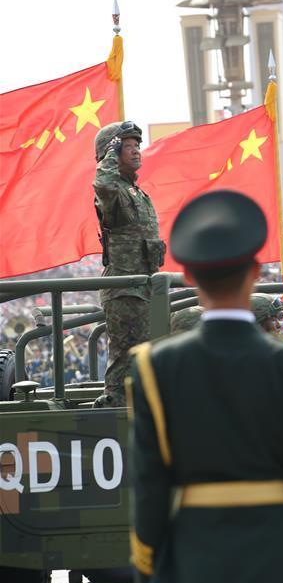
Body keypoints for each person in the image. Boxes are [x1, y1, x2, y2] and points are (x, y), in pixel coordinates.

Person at [127, 190, 283, 583]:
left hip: (194, 571)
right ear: (255, 271)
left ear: (190, 276)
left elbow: (149, 497)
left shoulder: (155, 368)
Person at [92, 121, 166, 408]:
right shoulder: (114, 192)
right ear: (111, 152)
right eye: (128, 146)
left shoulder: (136, 192)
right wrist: (110, 154)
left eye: (138, 145)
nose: (136, 151)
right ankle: (115, 416)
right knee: (125, 361)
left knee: (144, 359)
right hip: (124, 291)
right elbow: (103, 183)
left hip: (144, 288)